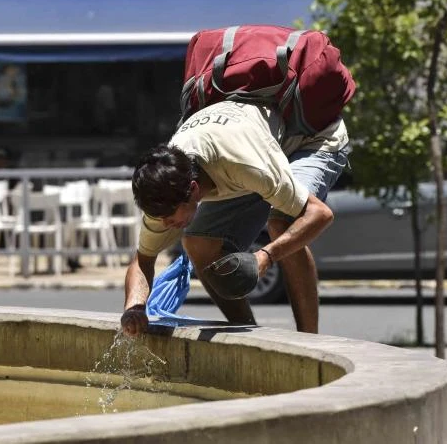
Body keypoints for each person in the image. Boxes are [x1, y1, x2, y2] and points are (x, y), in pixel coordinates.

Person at [120, 100, 349, 337]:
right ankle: (245, 333)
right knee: (198, 243)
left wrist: (266, 256)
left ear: (194, 190)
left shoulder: (246, 166)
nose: (165, 224)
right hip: (254, 146)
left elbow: (320, 213)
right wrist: (134, 309)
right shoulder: (165, 183)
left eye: (168, 217)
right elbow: (143, 260)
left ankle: (308, 341)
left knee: (281, 223)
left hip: (310, 138)